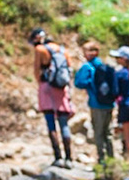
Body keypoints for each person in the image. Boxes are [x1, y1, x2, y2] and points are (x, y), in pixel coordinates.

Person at [30, 29, 74, 168]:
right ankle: (69, 158)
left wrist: (40, 83)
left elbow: (37, 69)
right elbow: (69, 70)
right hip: (61, 89)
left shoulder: (40, 49)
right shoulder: (64, 51)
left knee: (50, 123)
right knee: (64, 124)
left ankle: (58, 157)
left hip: (47, 87)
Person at [72, 41, 116, 164]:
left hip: (96, 104)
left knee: (98, 132)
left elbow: (79, 83)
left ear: (92, 52)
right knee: (108, 132)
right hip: (109, 104)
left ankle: (101, 159)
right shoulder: (103, 65)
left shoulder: (88, 67)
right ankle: (111, 158)